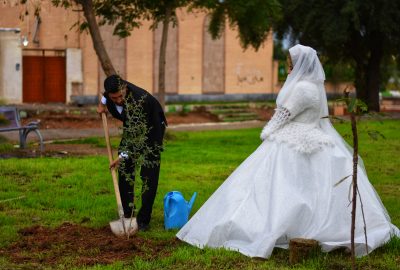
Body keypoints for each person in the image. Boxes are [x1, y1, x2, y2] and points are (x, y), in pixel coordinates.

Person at [176, 44, 400, 258]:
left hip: (293, 136)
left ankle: (271, 227)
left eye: (291, 64)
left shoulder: (303, 88)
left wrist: (267, 133)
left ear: (300, 64)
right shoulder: (313, 86)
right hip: (311, 134)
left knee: (278, 186)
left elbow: (284, 114)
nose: (289, 68)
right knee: (309, 188)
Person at [98, 75, 167, 232]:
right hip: (132, 128)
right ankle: (127, 214)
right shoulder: (112, 92)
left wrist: (122, 156)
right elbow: (104, 96)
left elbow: (137, 138)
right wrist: (102, 105)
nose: (118, 100)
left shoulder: (138, 102)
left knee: (149, 173)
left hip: (152, 129)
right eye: (113, 98)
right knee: (125, 170)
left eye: (120, 96)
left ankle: (143, 220)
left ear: (125, 89)